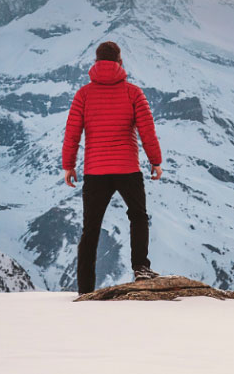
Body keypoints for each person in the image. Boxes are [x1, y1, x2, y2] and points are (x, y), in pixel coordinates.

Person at [63, 41, 164, 295]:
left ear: (96, 62)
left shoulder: (83, 95)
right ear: (120, 62)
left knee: (91, 229)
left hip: (95, 172)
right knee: (138, 216)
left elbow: (72, 133)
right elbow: (147, 131)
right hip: (127, 168)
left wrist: (69, 165)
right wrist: (155, 161)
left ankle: (85, 288)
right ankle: (141, 267)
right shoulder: (133, 93)